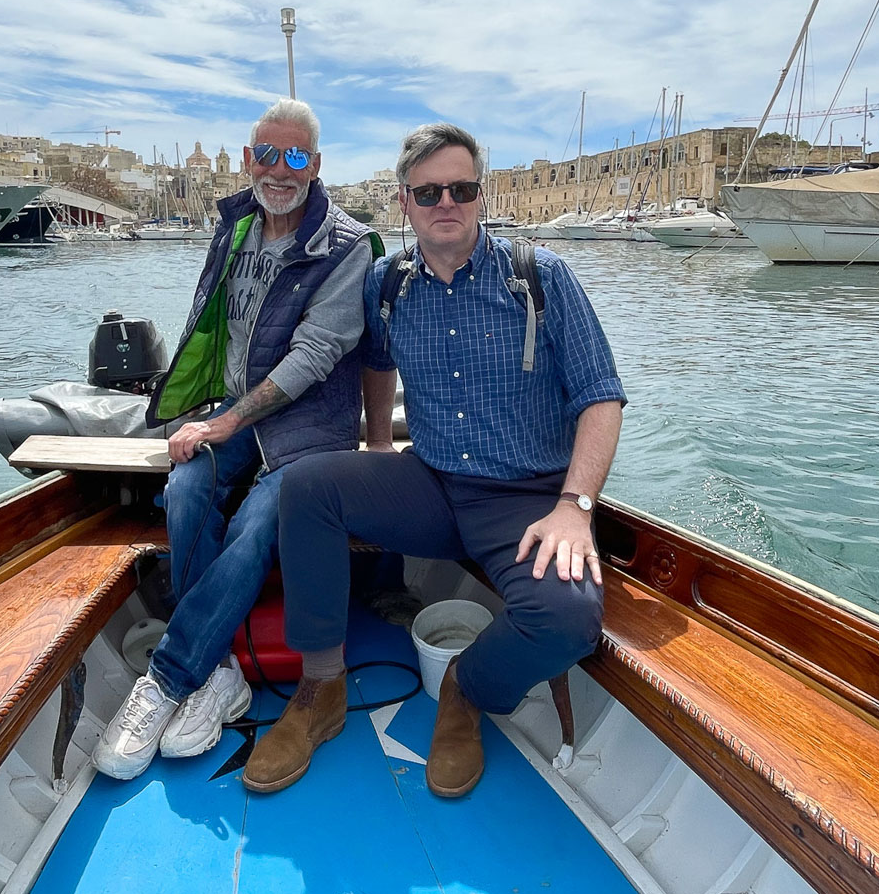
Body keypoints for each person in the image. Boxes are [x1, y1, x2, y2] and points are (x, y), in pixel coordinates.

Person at [243, 122, 625, 798]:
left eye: (460, 188)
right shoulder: (388, 284)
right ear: (404, 203)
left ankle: (466, 689)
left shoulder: (540, 278)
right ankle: (320, 686)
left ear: (481, 195)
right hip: (431, 481)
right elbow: (377, 363)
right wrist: (380, 446)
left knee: (568, 620)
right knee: (306, 488)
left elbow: (601, 397)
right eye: (427, 193)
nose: (444, 202)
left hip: (525, 499)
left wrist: (574, 507)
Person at [93, 99, 380, 780]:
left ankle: (167, 678)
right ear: (249, 159)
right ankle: (219, 672)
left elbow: (313, 356)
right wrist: (194, 412)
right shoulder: (236, 226)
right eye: (268, 155)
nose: (281, 170)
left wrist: (223, 422)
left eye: (298, 157)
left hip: (308, 429)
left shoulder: (346, 247)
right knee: (186, 485)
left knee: (256, 524)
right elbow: (212, 326)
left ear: (317, 166)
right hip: (237, 413)